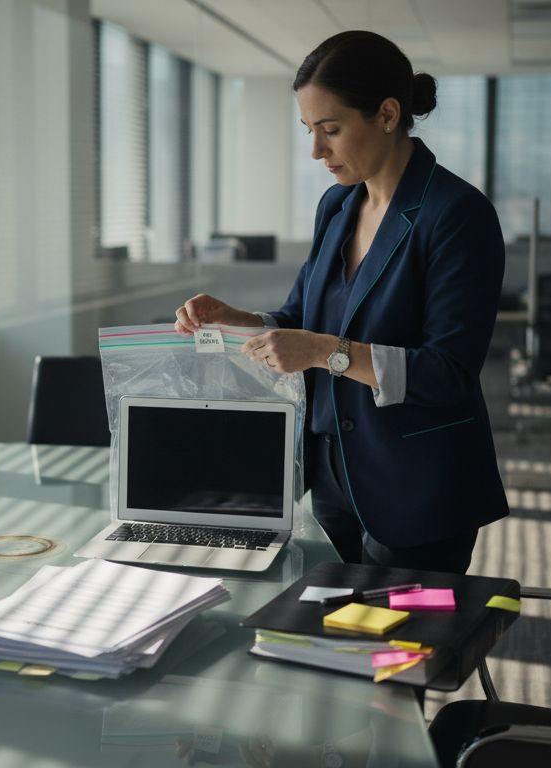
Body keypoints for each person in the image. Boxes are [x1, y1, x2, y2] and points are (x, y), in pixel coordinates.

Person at [173, 30, 508, 574]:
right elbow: (302, 319)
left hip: (415, 482)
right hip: (332, 471)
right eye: (309, 130)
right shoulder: (337, 206)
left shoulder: (455, 214)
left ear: (388, 114)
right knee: (325, 620)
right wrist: (239, 321)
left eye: (331, 129)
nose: (316, 150)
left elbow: (448, 372)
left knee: (397, 629)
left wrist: (324, 352)